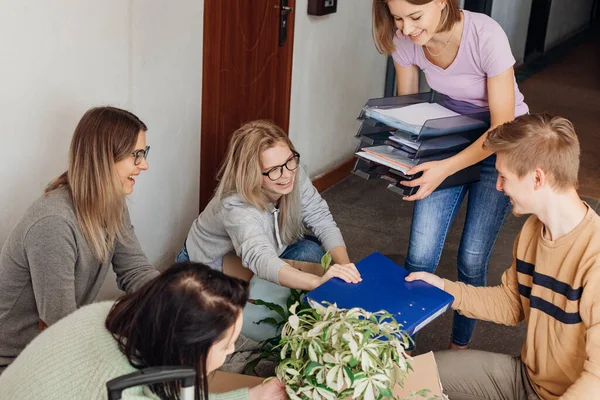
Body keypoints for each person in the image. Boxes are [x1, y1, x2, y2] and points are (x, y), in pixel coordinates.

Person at [406, 114, 600, 399]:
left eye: (504, 176)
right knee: (406, 379)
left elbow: (596, 381)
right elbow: (511, 305)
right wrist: (445, 290)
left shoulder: (594, 257)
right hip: (525, 379)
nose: (498, 186)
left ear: (537, 178)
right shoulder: (533, 230)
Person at [372, 0, 529, 348]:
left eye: (415, 17)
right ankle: (398, 350)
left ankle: (459, 349)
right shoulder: (404, 39)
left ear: (442, 2)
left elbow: (500, 128)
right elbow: (409, 111)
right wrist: (399, 161)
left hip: (501, 143)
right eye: (397, 19)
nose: (407, 29)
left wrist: (443, 169)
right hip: (449, 133)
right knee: (420, 255)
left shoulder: (485, 35)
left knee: (472, 258)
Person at [0, 106, 160, 374]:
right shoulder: (53, 223)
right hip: (16, 364)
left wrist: (181, 297)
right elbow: (59, 325)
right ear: (104, 158)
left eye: (144, 154)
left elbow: (136, 271)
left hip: (56, 343)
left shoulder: (113, 204)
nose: (144, 164)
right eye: (136, 155)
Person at [179, 120, 361, 341]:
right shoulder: (235, 207)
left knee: (311, 254)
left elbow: (320, 217)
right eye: (273, 170)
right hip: (209, 271)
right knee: (245, 331)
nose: (286, 175)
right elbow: (261, 258)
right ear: (252, 174)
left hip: (257, 255)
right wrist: (317, 282)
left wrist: (346, 268)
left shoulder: (291, 172)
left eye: (289, 162)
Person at [0, 261, 287, 399]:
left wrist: (254, 396)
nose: (233, 350)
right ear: (187, 347)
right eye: (226, 345)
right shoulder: (118, 388)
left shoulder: (112, 315)